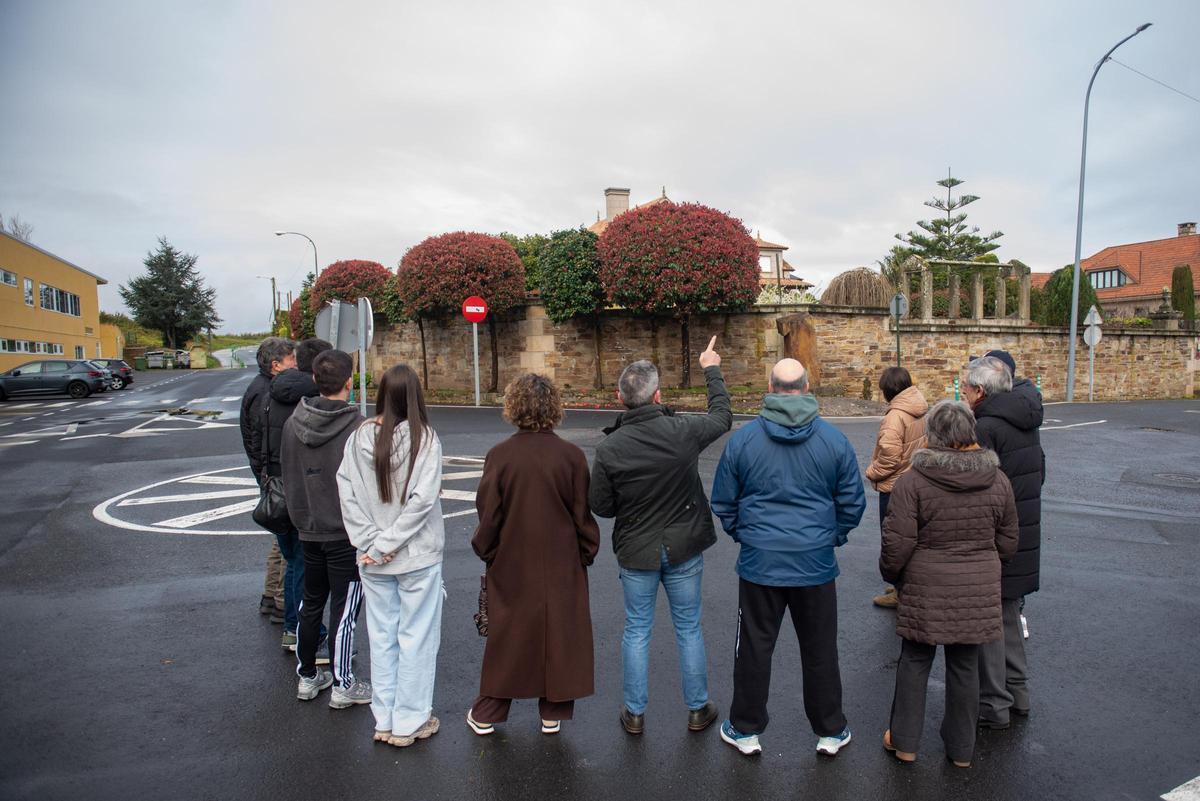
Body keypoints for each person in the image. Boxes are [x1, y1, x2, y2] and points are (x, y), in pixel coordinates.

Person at [710, 358, 865, 758]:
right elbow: (852, 503)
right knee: (820, 649)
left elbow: (724, 502)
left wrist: (746, 535)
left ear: (770, 385)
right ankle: (831, 729)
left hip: (761, 563)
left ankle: (744, 728)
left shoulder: (744, 441)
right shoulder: (833, 441)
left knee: (755, 648)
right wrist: (831, 537)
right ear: (807, 385)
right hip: (814, 562)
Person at [589, 337, 730, 736]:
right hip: (684, 546)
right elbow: (722, 416)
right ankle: (698, 708)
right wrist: (710, 368)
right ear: (658, 395)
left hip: (637, 549)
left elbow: (601, 506)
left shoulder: (611, 448)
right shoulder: (682, 430)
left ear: (620, 397)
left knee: (636, 629)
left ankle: (634, 712)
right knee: (688, 627)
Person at [879, 400, 1018, 767]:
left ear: (933, 436)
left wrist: (893, 575)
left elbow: (898, 542)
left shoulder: (913, 481)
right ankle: (961, 751)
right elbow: (1008, 541)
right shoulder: (998, 480)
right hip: (977, 586)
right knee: (965, 666)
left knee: (914, 660)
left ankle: (905, 743)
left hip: (926, 583)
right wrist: (984, 566)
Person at [467, 374, 601, 736]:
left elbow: (489, 513)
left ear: (513, 407)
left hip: (512, 558)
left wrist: (488, 550)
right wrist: (587, 551)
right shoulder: (571, 456)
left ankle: (489, 709)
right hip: (562, 559)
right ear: (554, 408)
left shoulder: (500, 456)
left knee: (509, 637)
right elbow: (581, 514)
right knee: (558, 634)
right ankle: (552, 710)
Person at [337, 364, 444, 748]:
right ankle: (410, 721)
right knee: (417, 638)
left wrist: (370, 543)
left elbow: (346, 491)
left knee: (381, 638)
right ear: (415, 395)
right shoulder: (425, 439)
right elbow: (421, 502)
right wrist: (388, 544)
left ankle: (384, 718)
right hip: (417, 556)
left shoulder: (360, 436)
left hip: (372, 560)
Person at [280, 349, 369, 708]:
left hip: (307, 527)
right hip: (346, 531)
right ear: (349, 382)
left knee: (310, 603)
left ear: (315, 380)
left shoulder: (292, 424)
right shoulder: (357, 427)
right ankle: (344, 683)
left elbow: (288, 474)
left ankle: (307, 676)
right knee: (345, 611)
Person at [961, 354, 1044, 730]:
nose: (962, 393)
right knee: (1008, 614)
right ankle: (1019, 694)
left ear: (979, 391)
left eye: (964, 388)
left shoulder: (985, 426)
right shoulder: (1025, 417)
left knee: (987, 622)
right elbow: (1040, 473)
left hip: (993, 537)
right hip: (1024, 531)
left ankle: (994, 704)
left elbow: (977, 489)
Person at [264, 337, 332, 653]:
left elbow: (257, 441)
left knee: (293, 561)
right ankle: (307, 634)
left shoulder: (268, 392)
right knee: (306, 567)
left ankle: (292, 627)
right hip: (304, 494)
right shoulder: (311, 401)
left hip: (278, 487)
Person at [864, 367, 928, 609]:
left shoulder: (895, 417)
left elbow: (889, 457)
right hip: (914, 481)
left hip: (894, 487)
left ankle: (900, 591)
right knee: (910, 537)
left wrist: (871, 472)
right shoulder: (919, 408)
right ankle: (906, 585)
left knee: (894, 540)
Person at [241, 337, 293, 623]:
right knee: (288, 542)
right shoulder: (268, 393)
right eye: (290, 361)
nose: (295, 365)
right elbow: (265, 440)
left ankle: (271, 597)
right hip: (275, 476)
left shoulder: (258, 387)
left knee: (279, 538)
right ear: (276, 365)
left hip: (267, 475)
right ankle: (282, 604)